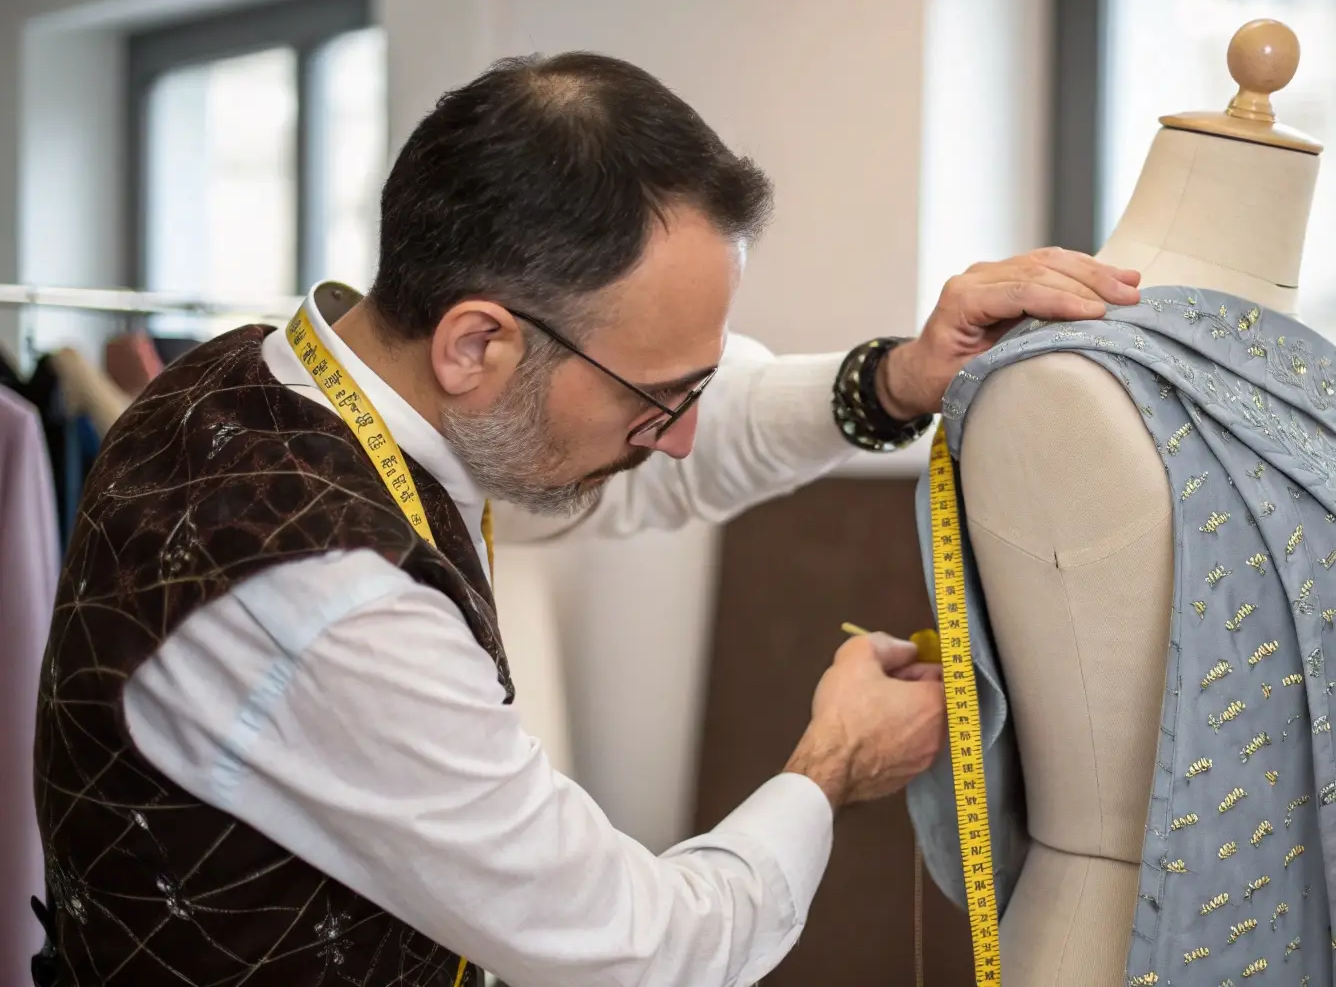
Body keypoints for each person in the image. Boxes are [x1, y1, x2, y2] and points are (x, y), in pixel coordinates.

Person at [31, 51, 1140, 987]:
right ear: (477, 344)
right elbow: (633, 952)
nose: (681, 435)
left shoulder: (267, 378)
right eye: (656, 398)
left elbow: (696, 441)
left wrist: (897, 380)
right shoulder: (328, 597)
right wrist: (828, 767)